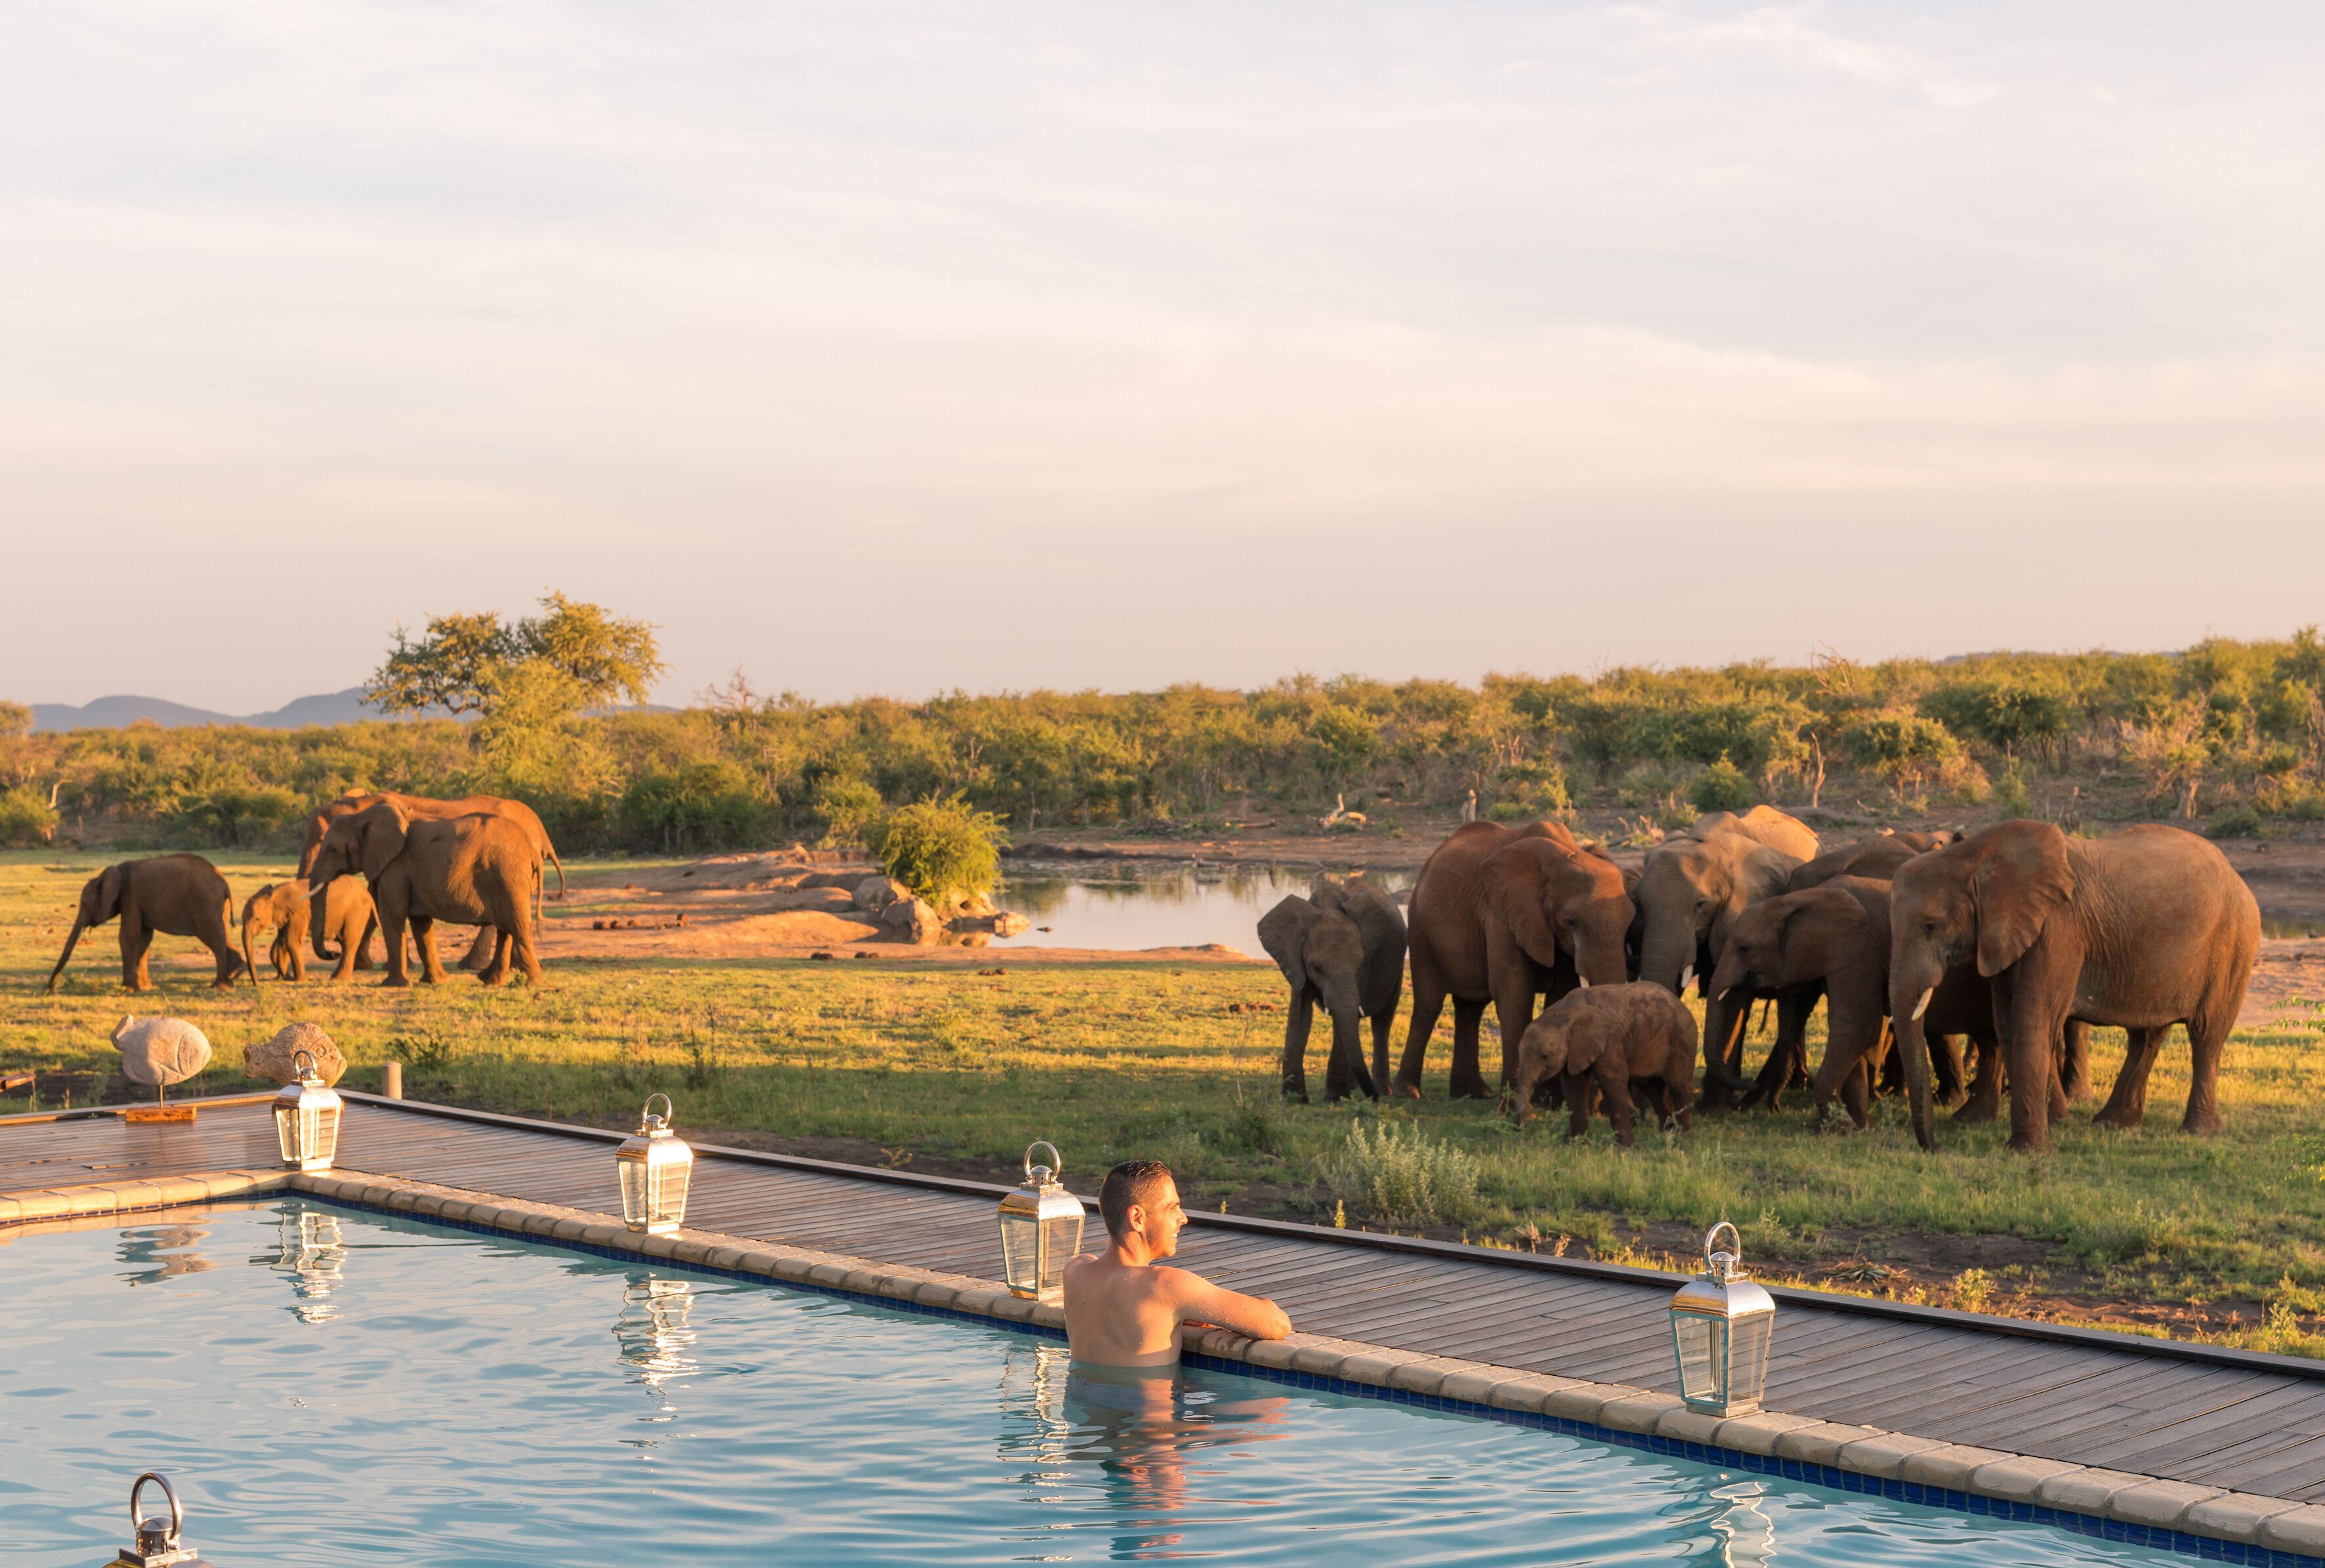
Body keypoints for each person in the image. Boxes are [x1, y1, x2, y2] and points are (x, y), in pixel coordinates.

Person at [1062, 1159, 1292, 1372]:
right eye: (1172, 1208)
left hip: (1084, 1415)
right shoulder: (1166, 1286)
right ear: (1137, 1218)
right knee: (1272, 1409)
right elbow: (1275, 1324)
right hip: (1153, 1417)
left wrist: (1178, 1313)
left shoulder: (1075, 1272)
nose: (1183, 1218)